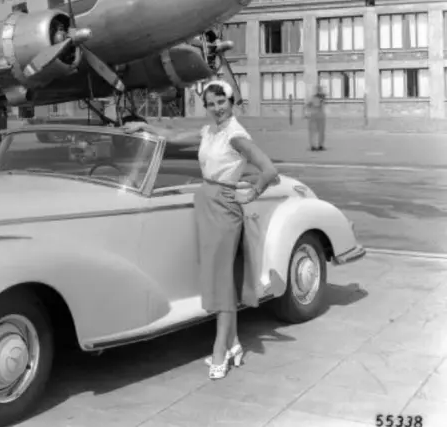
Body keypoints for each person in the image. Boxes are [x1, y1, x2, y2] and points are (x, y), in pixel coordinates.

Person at [123, 79, 278, 380]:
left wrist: (252, 193)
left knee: (221, 281)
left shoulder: (235, 135)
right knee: (215, 276)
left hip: (224, 207)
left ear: (231, 102)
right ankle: (233, 343)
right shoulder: (210, 131)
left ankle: (220, 349)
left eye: (222, 102)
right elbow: (174, 135)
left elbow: (269, 169)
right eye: (211, 103)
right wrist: (143, 128)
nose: (217, 108)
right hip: (206, 202)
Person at [305, 85, 327, 151]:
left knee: (316, 132)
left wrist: (307, 112)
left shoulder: (316, 98)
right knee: (318, 132)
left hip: (316, 116)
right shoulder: (319, 98)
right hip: (317, 116)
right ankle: (317, 146)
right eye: (319, 90)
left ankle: (316, 146)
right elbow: (308, 105)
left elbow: (307, 106)